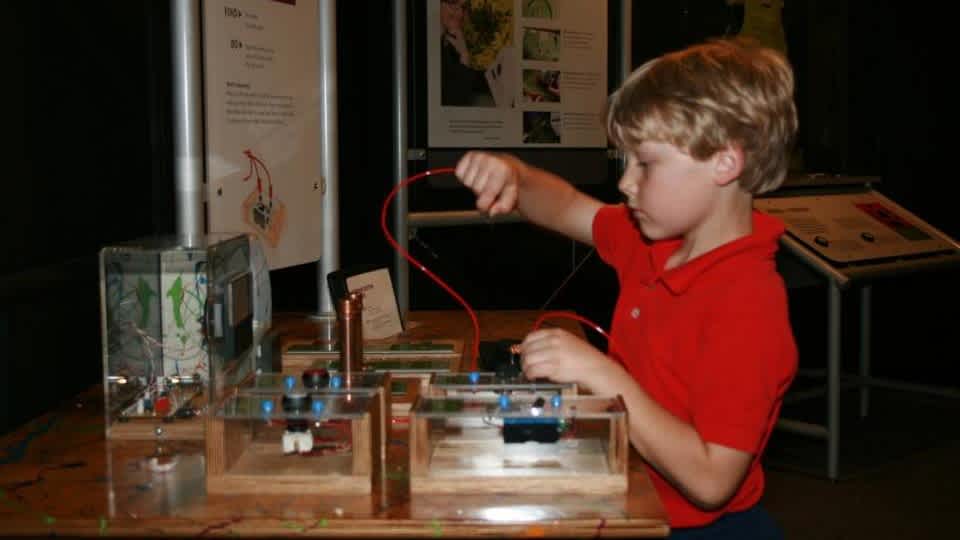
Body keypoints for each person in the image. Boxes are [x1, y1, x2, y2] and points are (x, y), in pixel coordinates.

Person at [454, 37, 798, 538]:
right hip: (634, 506)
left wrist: (600, 374)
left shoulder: (748, 303)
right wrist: (516, 174)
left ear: (726, 161)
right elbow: (567, 207)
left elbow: (711, 479)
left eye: (646, 163)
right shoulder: (652, 240)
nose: (625, 183)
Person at [440, 0, 493, 106]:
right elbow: (456, 100)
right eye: (453, 4)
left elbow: (474, 80)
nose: (460, 14)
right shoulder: (431, 50)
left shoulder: (450, 42)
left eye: (463, 7)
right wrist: (464, 56)